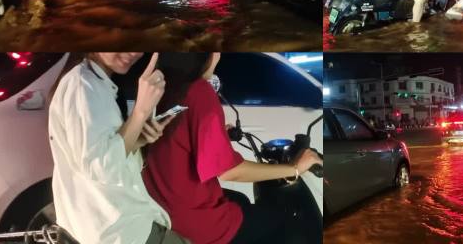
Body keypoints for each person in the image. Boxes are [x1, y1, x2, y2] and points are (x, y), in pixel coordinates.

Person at [142, 53, 323, 244]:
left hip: (167, 209)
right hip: (199, 222)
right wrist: (294, 168)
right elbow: (229, 172)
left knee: (240, 201)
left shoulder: (168, 88)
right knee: (284, 220)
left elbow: (177, 128)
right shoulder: (199, 91)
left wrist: (218, 136)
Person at [49, 53, 188, 244]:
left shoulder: (94, 83)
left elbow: (105, 158)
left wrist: (137, 138)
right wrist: (140, 111)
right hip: (121, 229)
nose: (133, 52)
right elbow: (102, 168)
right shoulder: (83, 84)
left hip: (114, 228)